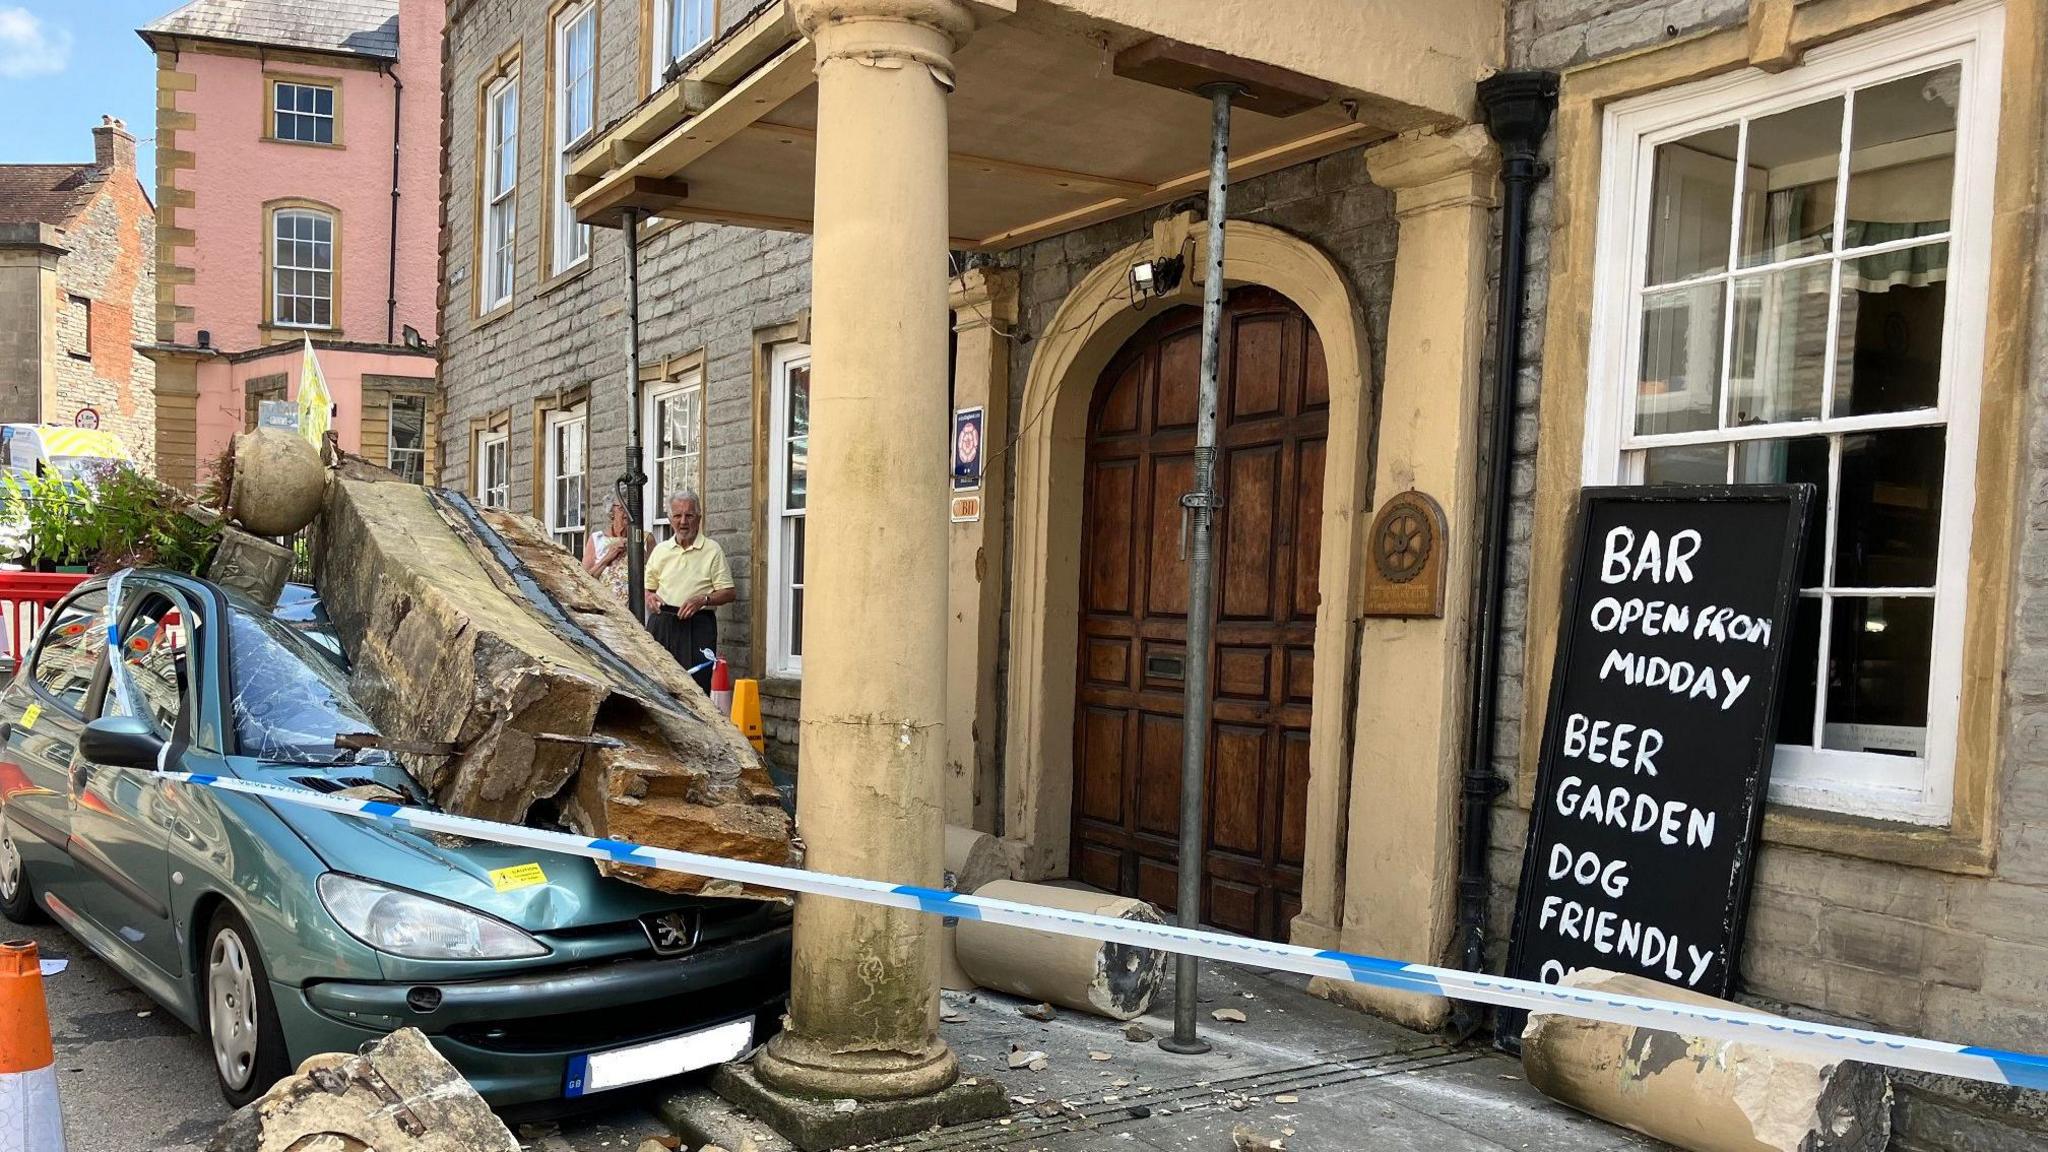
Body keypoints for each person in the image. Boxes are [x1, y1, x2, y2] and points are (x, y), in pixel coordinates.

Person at [644, 490, 735, 693]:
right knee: (657, 685)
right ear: (670, 519)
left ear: (699, 518)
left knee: (696, 687)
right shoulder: (660, 551)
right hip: (663, 624)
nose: (683, 521)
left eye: (689, 515)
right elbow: (648, 589)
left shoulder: (712, 550)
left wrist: (703, 599)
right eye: (677, 516)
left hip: (698, 624)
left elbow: (729, 592)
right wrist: (649, 598)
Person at [582, 497, 632, 604]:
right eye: (622, 508)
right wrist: (609, 556)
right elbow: (585, 580)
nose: (628, 512)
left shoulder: (644, 539)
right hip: (608, 607)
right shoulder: (597, 539)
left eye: (631, 508)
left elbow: (654, 575)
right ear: (611, 512)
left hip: (639, 609)